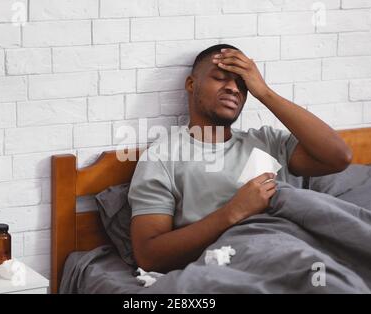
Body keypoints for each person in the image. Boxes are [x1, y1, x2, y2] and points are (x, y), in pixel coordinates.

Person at [128, 44, 352, 273]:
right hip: (232, 265)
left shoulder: (268, 142)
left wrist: (264, 92)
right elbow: (149, 256)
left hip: (296, 256)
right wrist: (233, 212)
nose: (234, 88)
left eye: (243, 84)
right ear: (191, 84)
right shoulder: (162, 157)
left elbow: (339, 157)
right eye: (220, 78)